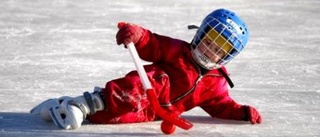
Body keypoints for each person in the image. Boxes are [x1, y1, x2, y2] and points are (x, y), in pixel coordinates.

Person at [31, 8, 262, 130]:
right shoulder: (178, 51)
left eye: (219, 48)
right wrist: (138, 35)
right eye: (209, 40)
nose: (210, 49)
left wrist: (240, 112)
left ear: (228, 55)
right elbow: (153, 44)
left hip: (151, 112)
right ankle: (84, 103)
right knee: (150, 84)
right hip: (141, 90)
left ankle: (65, 105)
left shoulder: (217, 81)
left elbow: (219, 104)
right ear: (201, 33)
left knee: (108, 118)